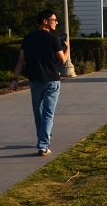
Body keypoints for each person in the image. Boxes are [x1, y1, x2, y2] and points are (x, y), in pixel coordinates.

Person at [9, 9, 71, 156]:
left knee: (38, 113)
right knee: (48, 114)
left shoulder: (28, 38)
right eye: (53, 20)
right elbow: (62, 60)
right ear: (45, 21)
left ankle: (43, 137)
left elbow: (21, 60)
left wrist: (14, 79)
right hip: (51, 81)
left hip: (35, 80)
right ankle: (43, 145)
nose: (56, 22)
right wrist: (67, 48)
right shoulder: (53, 39)